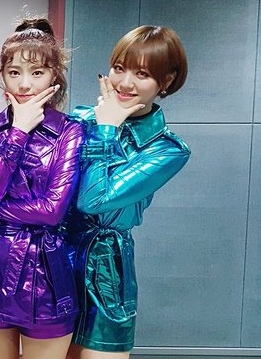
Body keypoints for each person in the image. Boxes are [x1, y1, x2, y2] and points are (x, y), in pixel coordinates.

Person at [66, 25, 191, 359]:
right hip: (55, 257)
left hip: (106, 269)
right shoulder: (79, 119)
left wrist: (106, 129)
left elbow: (93, 200)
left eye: (142, 74)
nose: (124, 83)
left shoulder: (166, 149)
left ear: (166, 81)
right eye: (119, 68)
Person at [0, 18, 84, 359]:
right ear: (2, 75)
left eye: (37, 72)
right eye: (14, 72)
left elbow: (52, 211)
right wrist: (17, 133)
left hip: (47, 273)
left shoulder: (70, 131)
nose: (25, 84)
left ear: (54, 76)